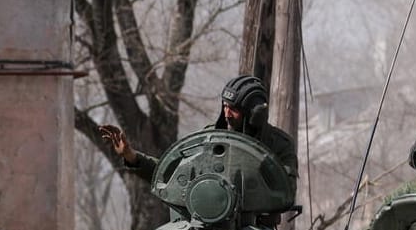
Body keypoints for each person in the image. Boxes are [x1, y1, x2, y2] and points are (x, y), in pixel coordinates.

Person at [96, 74, 299, 188]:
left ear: (253, 113)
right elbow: (173, 171)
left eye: (234, 109)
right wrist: (132, 157)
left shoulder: (279, 146)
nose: (227, 113)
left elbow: (285, 192)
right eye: (225, 106)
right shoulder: (211, 139)